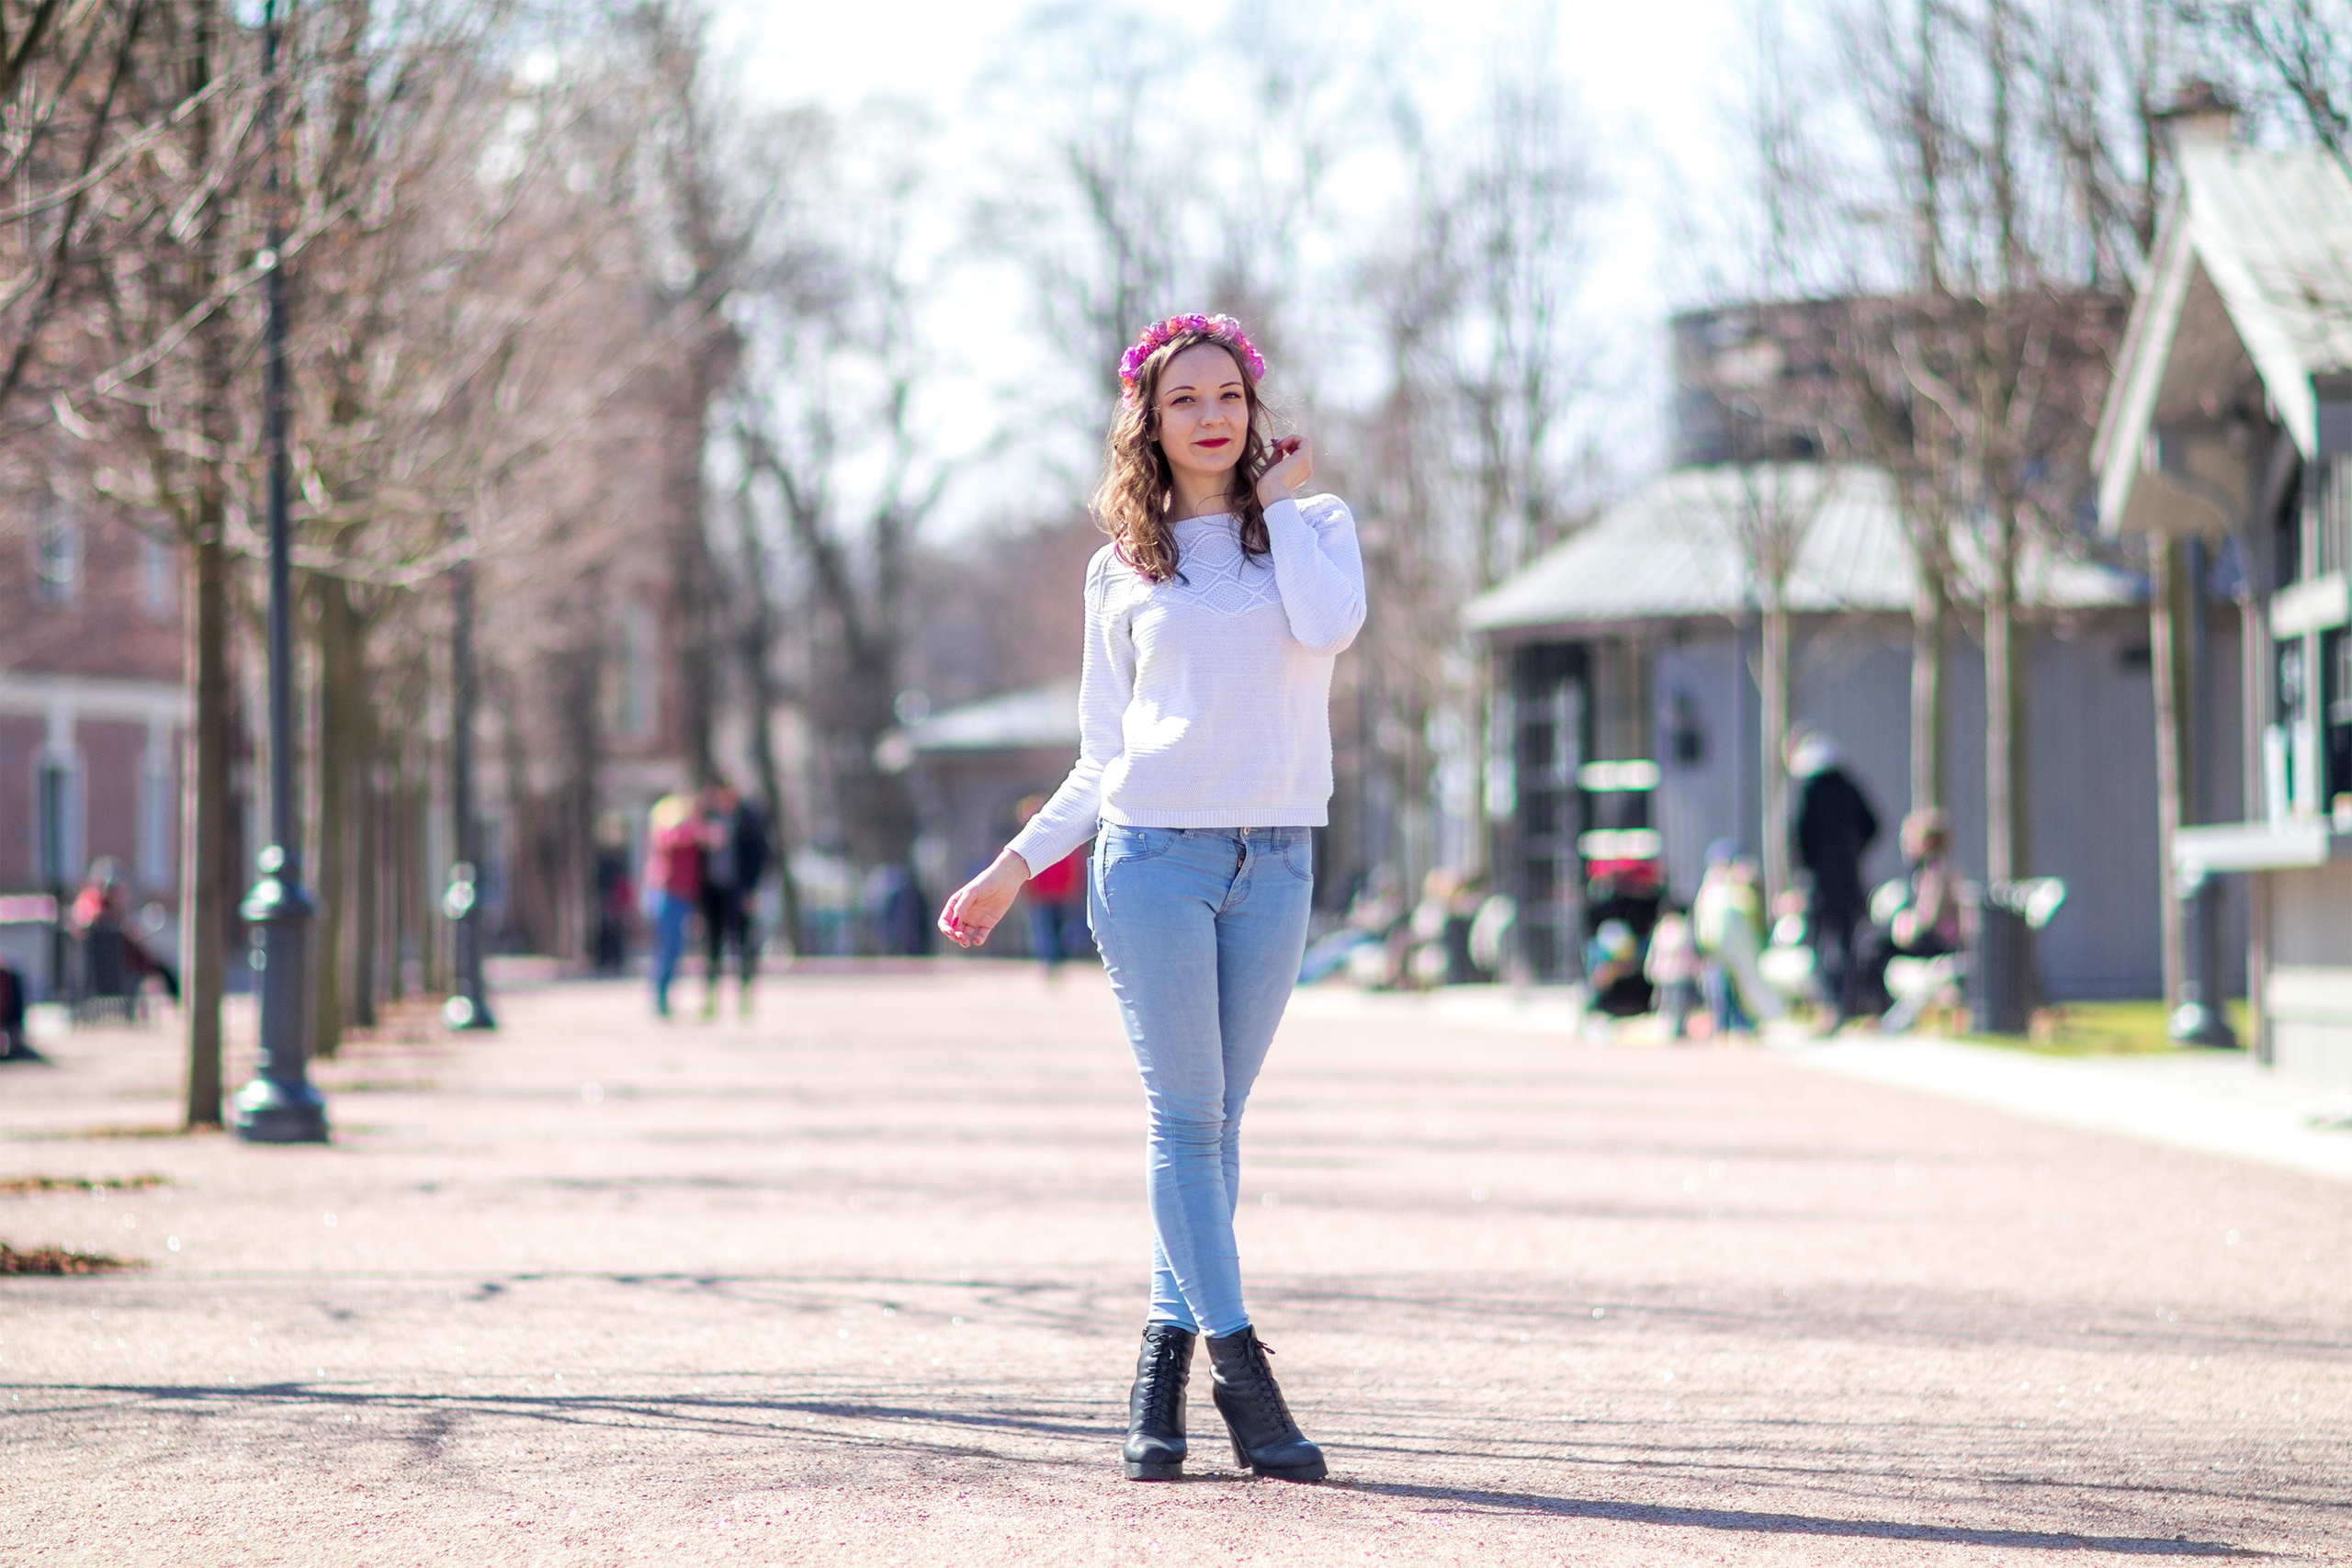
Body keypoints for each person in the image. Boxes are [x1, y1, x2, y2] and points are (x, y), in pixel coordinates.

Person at [937, 313, 1363, 1484]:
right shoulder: (1120, 563)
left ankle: (1156, 1375)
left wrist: (1277, 507)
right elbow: (1099, 752)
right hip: (1153, 861)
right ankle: (1245, 1380)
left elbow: (1330, 629)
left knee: (1220, 1126)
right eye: (1185, 399)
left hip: (1276, 860)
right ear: (1150, 420)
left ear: (1255, 407)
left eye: (1228, 393)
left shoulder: (1314, 530)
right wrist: (1014, 864)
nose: (1212, 414)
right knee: (1188, 1120)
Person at [1788, 729, 1882, 1029]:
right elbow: (1874, 824)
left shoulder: (1809, 790)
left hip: (1820, 885)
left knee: (1815, 945)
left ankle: (1832, 1004)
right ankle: (1845, 1004)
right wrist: (1853, 853)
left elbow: (1799, 835)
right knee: (1848, 945)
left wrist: (1807, 866)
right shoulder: (1849, 787)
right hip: (1850, 881)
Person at [697, 780, 769, 1018]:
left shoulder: (747, 820)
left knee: (742, 946)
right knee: (712, 948)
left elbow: (759, 856)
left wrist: (751, 890)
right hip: (713, 893)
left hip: (738, 892)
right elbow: (697, 860)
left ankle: (745, 998)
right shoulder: (707, 820)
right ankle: (711, 999)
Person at [1692, 841, 1778, 1032]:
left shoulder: (1736, 885)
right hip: (1717, 948)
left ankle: (1741, 1024)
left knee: (1739, 988)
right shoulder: (1714, 888)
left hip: (1735, 948)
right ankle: (1725, 1026)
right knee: (1720, 989)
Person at [68, 857, 177, 1004]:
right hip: (116, 962)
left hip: (120, 960)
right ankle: (177, 994)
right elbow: (83, 920)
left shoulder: (110, 910)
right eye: (113, 890)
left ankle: (176, 993)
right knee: (155, 967)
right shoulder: (93, 903)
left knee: (160, 967)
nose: (117, 894)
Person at [1014, 794, 1090, 979]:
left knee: (1058, 930)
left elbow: (1072, 865)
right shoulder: (1025, 840)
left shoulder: (1059, 837)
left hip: (1059, 893)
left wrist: (1073, 887)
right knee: (1044, 931)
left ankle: (1056, 961)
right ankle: (1050, 963)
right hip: (1040, 894)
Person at [643, 793, 704, 1019]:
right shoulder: (667, 834)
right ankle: (659, 997)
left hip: (684, 896)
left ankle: (664, 997)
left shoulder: (692, 835)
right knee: (667, 949)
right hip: (667, 895)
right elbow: (670, 841)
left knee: (676, 950)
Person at [1645, 906, 1701, 1039]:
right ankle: (1676, 1029)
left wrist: (1649, 968)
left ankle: (1672, 1029)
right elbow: (1689, 952)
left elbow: (1654, 952)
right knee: (1677, 1004)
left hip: (1667, 974)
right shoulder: (1683, 928)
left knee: (1669, 1003)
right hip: (1678, 973)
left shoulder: (1662, 929)